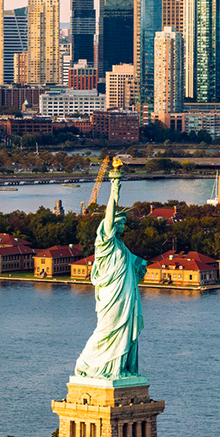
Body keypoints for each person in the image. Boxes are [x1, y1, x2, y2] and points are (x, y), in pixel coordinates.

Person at [73, 158, 147, 381]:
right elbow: (109, 214)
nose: (123, 227)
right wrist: (115, 186)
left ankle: (119, 369)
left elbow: (134, 265)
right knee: (107, 329)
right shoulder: (105, 241)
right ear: (112, 224)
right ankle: (86, 363)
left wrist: (139, 266)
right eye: (120, 223)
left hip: (125, 295)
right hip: (111, 296)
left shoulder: (121, 247)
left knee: (123, 332)